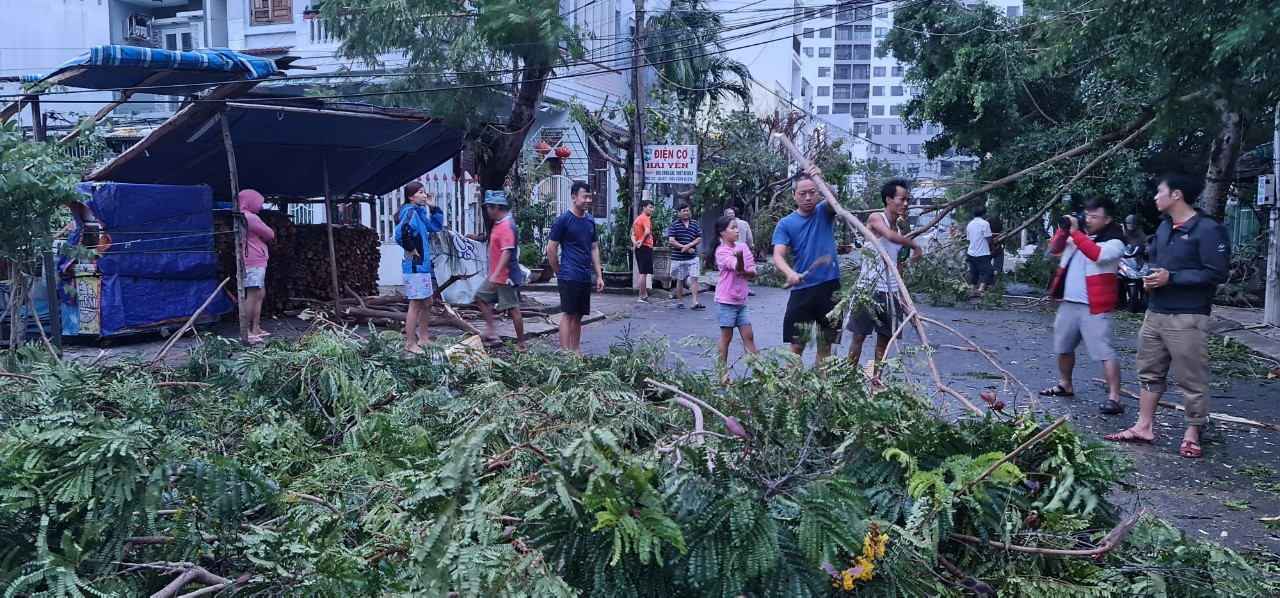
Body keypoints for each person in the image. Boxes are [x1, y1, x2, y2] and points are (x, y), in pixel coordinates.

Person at [1105, 173, 1231, 459]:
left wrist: (1172, 277)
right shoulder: (1163, 227)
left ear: (1176, 195)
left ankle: (1192, 433)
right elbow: (1155, 264)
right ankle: (1143, 426)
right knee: (1148, 371)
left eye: (1159, 191)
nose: (1155, 197)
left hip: (1187, 316)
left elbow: (1217, 273)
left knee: (1191, 378)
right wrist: (1151, 279)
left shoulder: (1208, 229)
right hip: (1155, 312)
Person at [1039, 196, 1127, 414]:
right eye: (1086, 215)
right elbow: (1054, 250)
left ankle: (1114, 397)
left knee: (1103, 351)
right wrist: (1064, 229)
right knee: (1063, 347)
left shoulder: (1114, 242)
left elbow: (1096, 255)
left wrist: (1076, 233)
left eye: (1094, 216)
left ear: (1108, 219)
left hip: (1095, 306)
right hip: (1069, 303)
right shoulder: (1076, 238)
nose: (1088, 219)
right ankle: (1065, 384)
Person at [848, 179, 923, 381]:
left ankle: (874, 377)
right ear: (889, 200)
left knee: (884, 341)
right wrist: (916, 246)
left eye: (908, 200)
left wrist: (904, 299)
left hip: (890, 293)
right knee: (859, 336)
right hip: (868, 289)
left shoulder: (899, 230)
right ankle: (849, 379)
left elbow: (897, 267)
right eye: (902, 199)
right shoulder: (875, 219)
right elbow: (888, 236)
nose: (906, 203)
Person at [772, 165, 842, 360]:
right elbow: (778, 255)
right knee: (796, 347)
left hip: (830, 287)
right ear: (794, 195)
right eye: (803, 193)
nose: (808, 198)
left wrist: (820, 177)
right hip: (802, 290)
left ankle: (821, 388)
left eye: (813, 192)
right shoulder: (785, 224)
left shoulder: (824, 211)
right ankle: (793, 389)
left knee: (825, 344)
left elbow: (833, 199)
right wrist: (789, 273)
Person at [547, 181, 604, 354]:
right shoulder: (563, 221)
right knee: (568, 314)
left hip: (584, 275)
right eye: (585, 196)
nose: (588, 200)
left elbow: (594, 248)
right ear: (574, 198)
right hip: (569, 275)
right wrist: (559, 272)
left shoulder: (590, 221)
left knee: (579, 315)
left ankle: (576, 351)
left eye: (590, 196)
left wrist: (599, 275)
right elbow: (551, 248)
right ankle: (565, 352)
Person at [394, 181, 445, 355]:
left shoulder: (419, 213)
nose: (424, 196)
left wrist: (434, 207)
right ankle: (409, 342)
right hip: (415, 267)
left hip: (423, 267)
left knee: (428, 302)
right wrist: (411, 249)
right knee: (415, 304)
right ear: (410, 196)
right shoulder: (409, 212)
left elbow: (436, 227)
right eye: (421, 193)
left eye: (425, 192)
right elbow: (400, 232)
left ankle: (423, 338)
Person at [474, 191, 527, 351]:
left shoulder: (507, 225)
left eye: (489, 207)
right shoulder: (499, 223)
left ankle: (521, 343)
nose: (487, 211)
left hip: (506, 276)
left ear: (496, 207)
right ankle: (492, 332)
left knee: (512, 308)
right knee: (480, 297)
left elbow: (507, 252)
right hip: (497, 274)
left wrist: (496, 275)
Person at [713, 215, 758, 367]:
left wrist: (743, 268)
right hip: (726, 301)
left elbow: (752, 272)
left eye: (736, 227)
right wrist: (740, 262)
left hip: (742, 301)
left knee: (749, 336)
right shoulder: (721, 251)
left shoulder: (743, 248)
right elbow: (736, 267)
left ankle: (760, 373)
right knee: (727, 337)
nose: (736, 231)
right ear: (722, 232)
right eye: (732, 228)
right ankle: (722, 374)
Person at [239, 189, 275, 343]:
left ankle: (256, 328)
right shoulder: (251, 218)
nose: (260, 207)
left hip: (252, 260)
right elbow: (270, 234)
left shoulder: (240, 217)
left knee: (259, 294)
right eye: (258, 203)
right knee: (253, 295)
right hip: (254, 261)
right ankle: (245, 331)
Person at [666, 203, 705, 310]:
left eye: (688, 210)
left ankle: (695, 302)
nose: (686, 212)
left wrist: (689, 245)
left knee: (694, 277)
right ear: (679, 213)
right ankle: (680, 301)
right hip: (679, 257)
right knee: (680, 279)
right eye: (684, 211)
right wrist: (684, 247)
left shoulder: (694, 224)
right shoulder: (675, 225)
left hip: (692, 257)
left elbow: (699, 238)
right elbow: (671, 241)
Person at [965, 205, 995, 295]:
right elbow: (989, 238)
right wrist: (993, 247)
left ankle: (972, 288)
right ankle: (981, 289)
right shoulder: (984, 223)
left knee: (974, 271)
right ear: (984, 214)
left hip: (971, 252)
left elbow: (968, 239)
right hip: (982, 253)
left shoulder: (970, 224)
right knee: (988, 271)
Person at [632, 199, 656, 303]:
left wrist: (636, 243)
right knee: (644, 273)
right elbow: (647, 232)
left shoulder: (637, 219)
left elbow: (632, 235)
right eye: (650, 207)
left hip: (639, 247)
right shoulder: (646, 219)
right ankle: (641, 296)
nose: (652, 209)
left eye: (652, 207)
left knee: (643, 271)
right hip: (645, 247)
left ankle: (644, 294)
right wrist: (642, 241)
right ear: (644, 208)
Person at [988, 213, 1005, 285]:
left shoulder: (988, 223)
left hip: (987, 248)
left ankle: (987, 282)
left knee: (985, 266)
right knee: (997, 267)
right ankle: (995, 283)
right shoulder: (995, 224)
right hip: (995, 247)